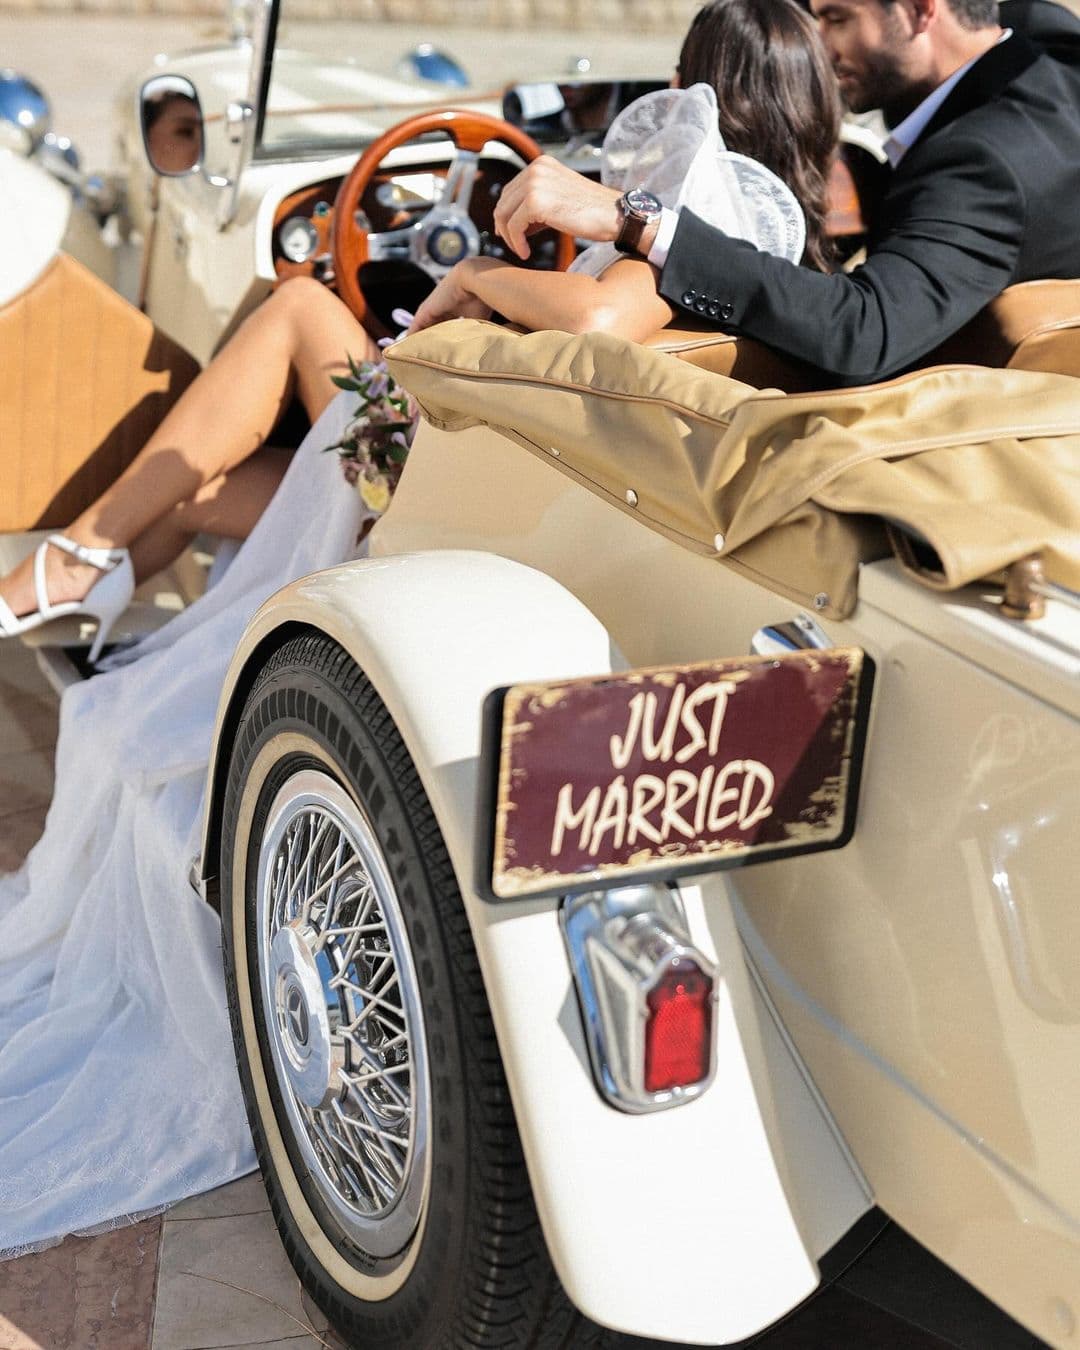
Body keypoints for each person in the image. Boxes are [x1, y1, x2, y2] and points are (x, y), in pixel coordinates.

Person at [0, 0, 840, 1256]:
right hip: (536, 471)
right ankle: (105, 566)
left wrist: (463, 276)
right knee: (249, 467)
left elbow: (608, 320)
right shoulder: (807, 231)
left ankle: (83, 563)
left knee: (291, 309)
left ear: (701, 89)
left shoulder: (694, 202)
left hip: (477, 474)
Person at [489, 0, 1080, 385]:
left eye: (837, 17)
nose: (819, 45)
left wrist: (638, 220)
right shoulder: (1054, 49)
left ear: (921, 11)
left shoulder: (977, 166)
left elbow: (864, 330)